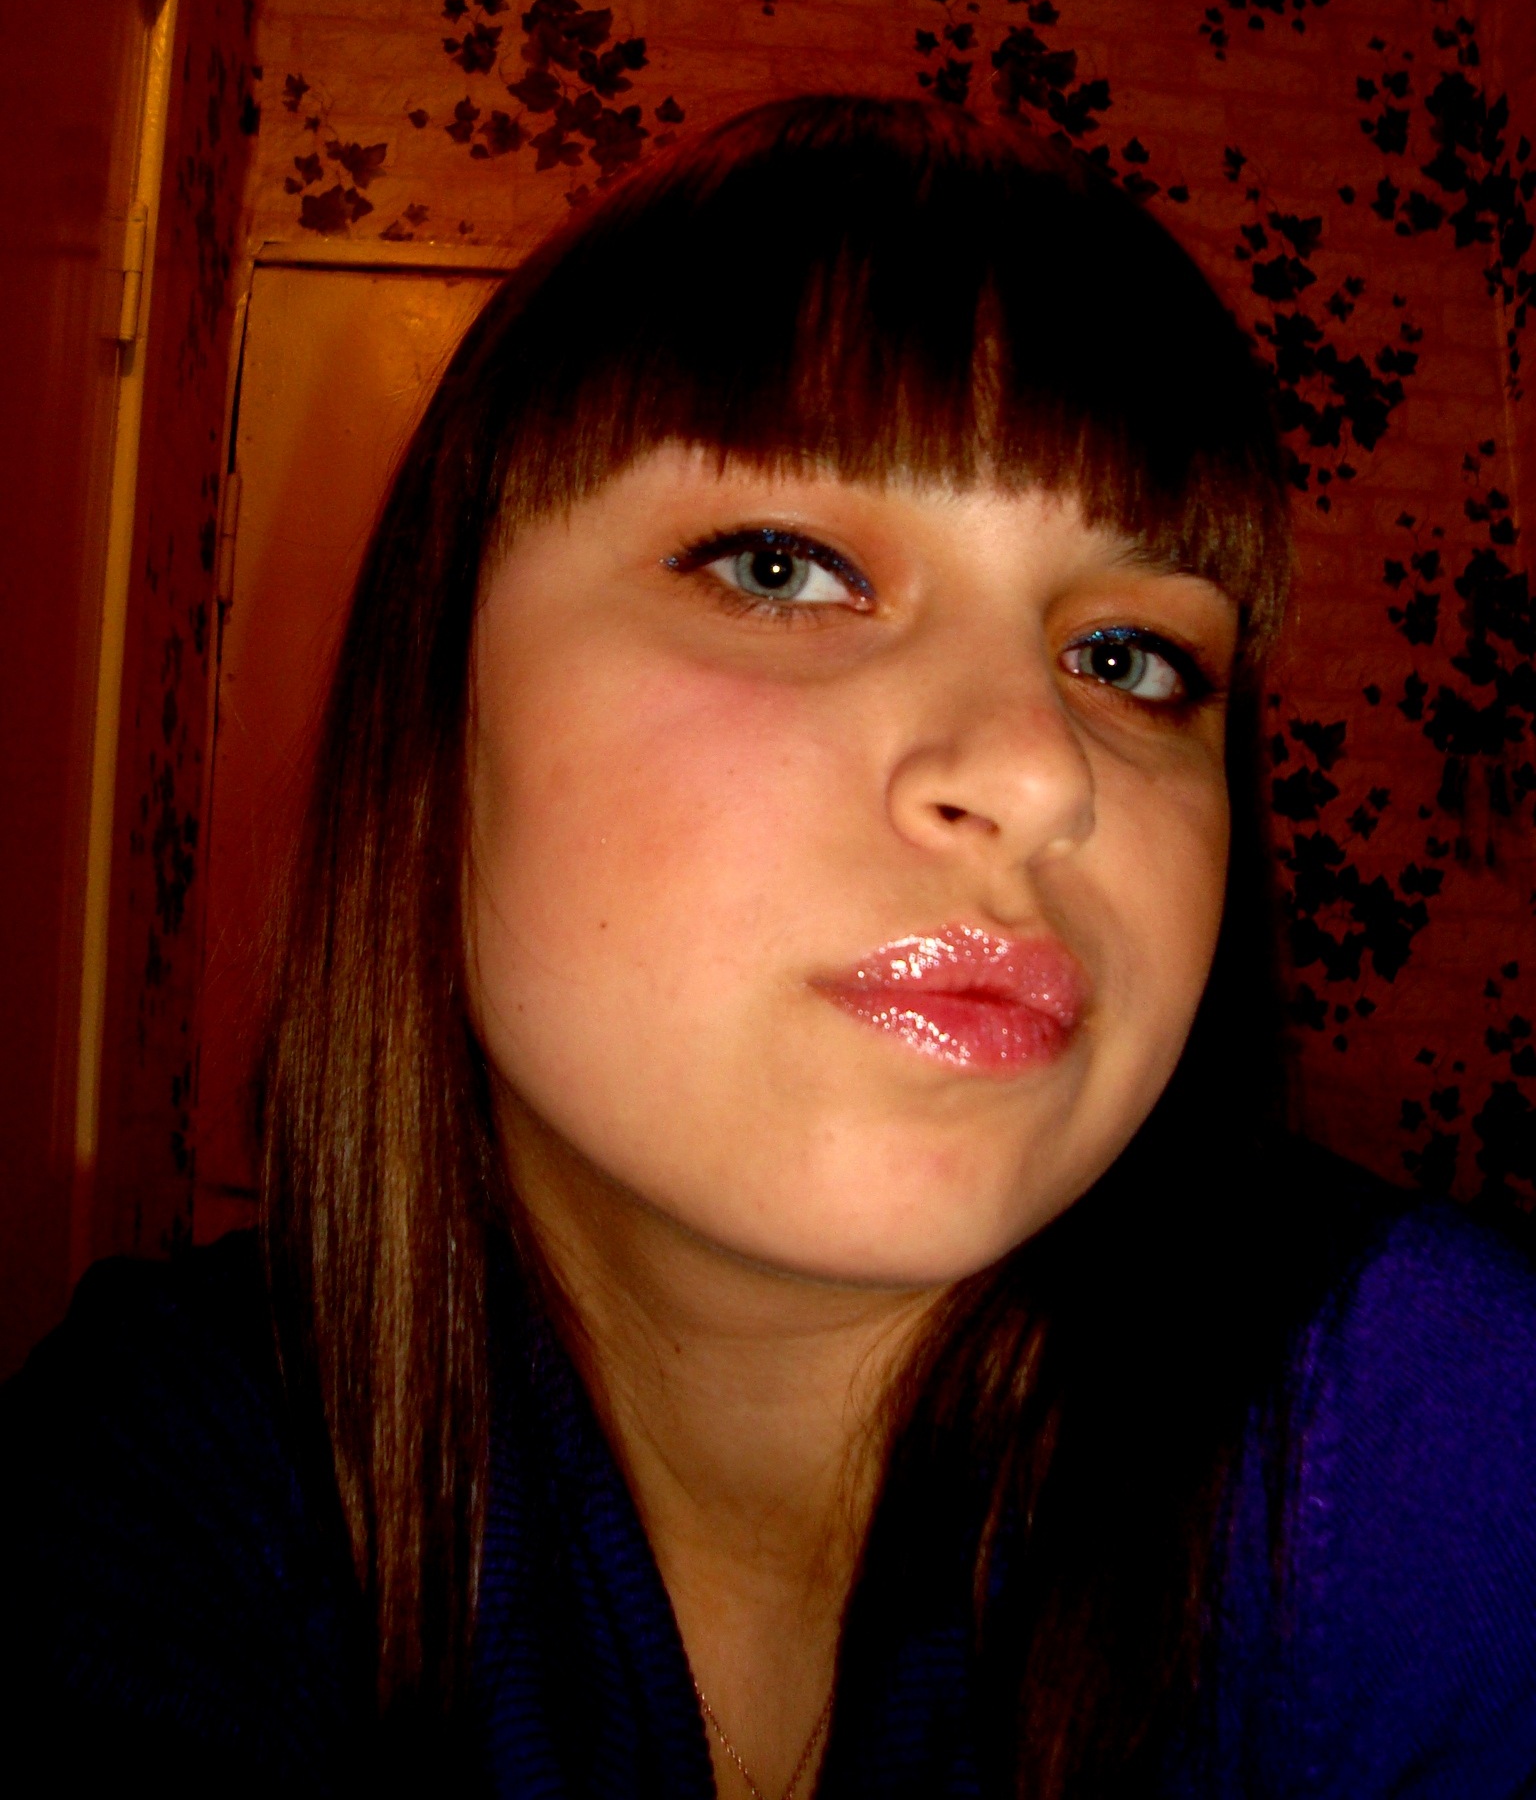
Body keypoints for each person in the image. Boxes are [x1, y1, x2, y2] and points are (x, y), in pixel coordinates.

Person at [5, 95, 1536, 1800]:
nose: (1043, 773)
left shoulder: (1428, 1440)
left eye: (1129, 660)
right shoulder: (180, 1475)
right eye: (783, 566)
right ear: (441, 719)